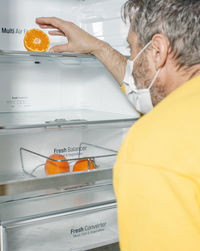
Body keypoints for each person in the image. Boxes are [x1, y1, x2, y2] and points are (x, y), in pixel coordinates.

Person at [36, 0, 200, 250]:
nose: (131, 62)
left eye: (132, 50)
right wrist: (97, 47)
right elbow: (152, 92)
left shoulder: (153, 145)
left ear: (157, 51)